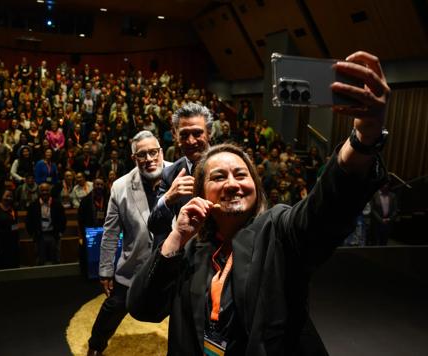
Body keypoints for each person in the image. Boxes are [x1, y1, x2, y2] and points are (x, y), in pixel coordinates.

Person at [127, 51, 391, 355]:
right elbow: (143, 308)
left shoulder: (279, 231)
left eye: (241, 174)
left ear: (255, 185)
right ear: (200, 192)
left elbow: (327, 205)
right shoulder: (189, 249)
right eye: (218, 177)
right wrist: (176, 236)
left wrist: (364, 136)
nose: (232, 183)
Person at [86, 131, 167, 355]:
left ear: (161, 152)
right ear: (134, 159)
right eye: (143, 155)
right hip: (135, 265)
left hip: (173, 265)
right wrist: (105, 271)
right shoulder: (120, 187)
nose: (150, 158)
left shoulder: (180, 174)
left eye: (154, 152)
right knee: (113, 307)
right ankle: (95, 348)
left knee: (186, 311)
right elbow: (110, 233)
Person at [148, 102, 212, 248]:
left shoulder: (230, 164)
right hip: (188, 259)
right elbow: (155, 226)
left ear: (209, 132)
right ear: (175, 135)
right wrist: (168, 198)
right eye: (184, 134)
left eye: (197, 133)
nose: (190, 141)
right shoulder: (170, 174)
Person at [26, 183, 66, 265]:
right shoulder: (33, 205)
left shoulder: (57, 204)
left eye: (47, 190)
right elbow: (28, 221)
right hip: (39, 236)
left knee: (55, 259)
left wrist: (60, 232)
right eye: (42, 190)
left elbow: (63, 219)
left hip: (54, 235)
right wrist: (32, 234)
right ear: (39, 192)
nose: (45, 192)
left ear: (50, 191)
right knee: (40, 260)